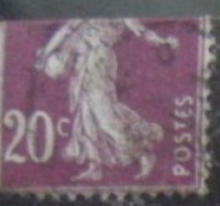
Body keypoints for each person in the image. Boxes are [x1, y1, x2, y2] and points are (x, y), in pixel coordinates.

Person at [36, 19, 179, 181]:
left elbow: (141, 31)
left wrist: (163, 41)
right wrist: (47, 53)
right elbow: (65, 30)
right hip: (83, 63)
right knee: (86, 115)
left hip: (100, 63)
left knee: (106, 117)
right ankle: (94, 167)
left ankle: (143, 153)